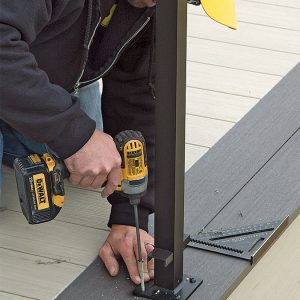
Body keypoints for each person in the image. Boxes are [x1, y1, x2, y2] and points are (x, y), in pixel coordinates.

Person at [0, 0, 157, 285]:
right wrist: (73, 133)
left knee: (88, 157)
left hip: (46, 48)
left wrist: (130, 214)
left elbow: (136, 93)